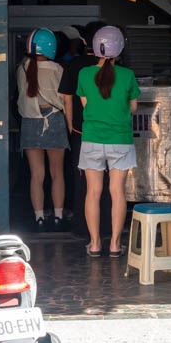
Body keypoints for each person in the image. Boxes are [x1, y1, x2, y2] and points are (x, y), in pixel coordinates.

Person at [75, 25, 140, 257]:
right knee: (117, 192)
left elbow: (84, 104)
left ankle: (94, 244)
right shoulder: (128, 75)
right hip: (120, 140)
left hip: (92, 138)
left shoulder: (83, 74)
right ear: (119, 49)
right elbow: (132, 107)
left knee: (93, 192)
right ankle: (114, 244)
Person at [16, 28, 70, 232]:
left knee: (36, 175)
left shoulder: (21, 68)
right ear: (51, 46)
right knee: (57, 173)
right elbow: (66, 98)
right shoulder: (57, 69)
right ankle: (57, 215)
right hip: (54, 120)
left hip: (30, 123)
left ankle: (38, 217)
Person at [58, 21, 107, 238]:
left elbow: (67, 99)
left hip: (81, 131)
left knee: (82, 182)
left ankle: (83, 229)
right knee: (108, 183)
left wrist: (71, 127)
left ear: (85, 40)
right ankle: (106, 231)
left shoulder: (76, 65)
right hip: (110, 131)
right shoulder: (110, 66)